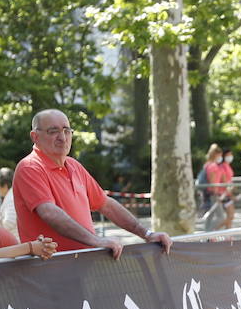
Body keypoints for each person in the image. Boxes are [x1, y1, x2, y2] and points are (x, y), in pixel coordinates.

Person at [12, 109, 171, 259]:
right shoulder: (30, 167)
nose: (62, 137)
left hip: (83, 265)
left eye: (67, 130)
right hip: (50, 269)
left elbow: (106, 204)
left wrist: (147, 234)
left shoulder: (74, 166)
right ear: (35, 136)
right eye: (53, 131)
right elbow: (49, 213)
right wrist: (96, 241)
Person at [205, 147, 236, 230]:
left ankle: (225, 235)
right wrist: (218, 194)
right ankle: (211, 234)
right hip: (218, 195)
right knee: (222, 217)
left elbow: (224, 180)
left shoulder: (217, 166)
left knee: (228, 216)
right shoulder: (214, 166)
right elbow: (214, 182)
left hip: (222, 194)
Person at [196, 144, 221, 215]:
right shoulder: (213, 166)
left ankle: (210, 226)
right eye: (219, 155)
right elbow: (212, 181)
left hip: (207, 192)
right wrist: (216, 193)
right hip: (211, 193)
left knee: (210, 214)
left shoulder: (207, 164)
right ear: (216, 155)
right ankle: (210, 226)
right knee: (215, 216)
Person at [0, 167, 18, 237]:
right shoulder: (13, 195)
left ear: (5, 186)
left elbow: (9, 223)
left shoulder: (11, 198)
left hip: (14, 241)